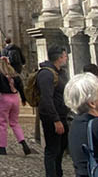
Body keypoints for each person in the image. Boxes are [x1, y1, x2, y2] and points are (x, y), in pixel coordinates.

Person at [0, 55, 32, 156]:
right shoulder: (14, 74)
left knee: (2, 123)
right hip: (15, 98)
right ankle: (23, 143)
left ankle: (2, 147)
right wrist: (24, 99)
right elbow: (21, 86)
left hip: (5, 98)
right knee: (15, 123)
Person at [37, 44, 69, 177]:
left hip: (62, 115)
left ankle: (58, 172)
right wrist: (56, 120)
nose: (67, 58)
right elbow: (46, 98)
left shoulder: (60, 72)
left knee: (60, 148)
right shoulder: (46, 74)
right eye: (65, 56)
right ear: (59, 58)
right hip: (52, 117)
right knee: (52, 149)